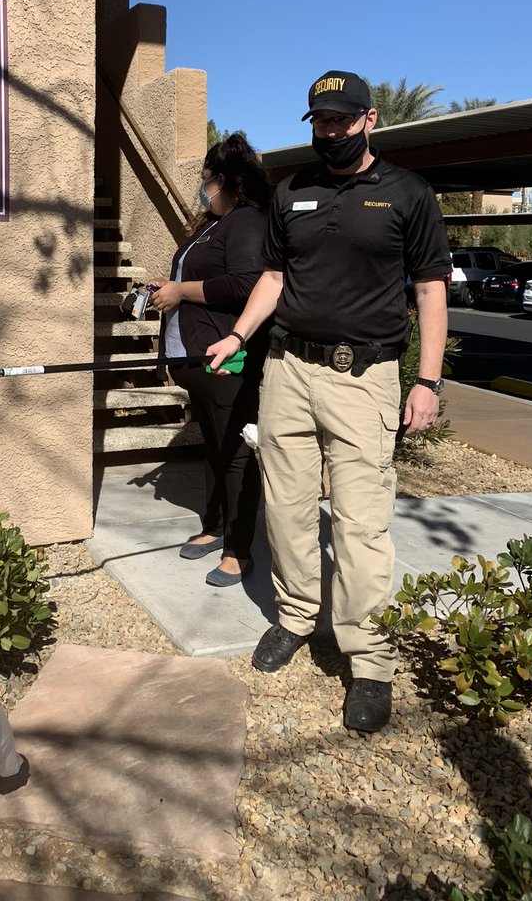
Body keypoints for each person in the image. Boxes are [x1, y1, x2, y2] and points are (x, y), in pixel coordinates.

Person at [207, 71, 451, 730]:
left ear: (369, 120)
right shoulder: (293, 194)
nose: (330, 131)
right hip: (287, 370)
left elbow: (430, 290)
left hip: (363, 377)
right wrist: (238, 333)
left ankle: (369, 661)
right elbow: (275, 278)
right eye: (320, 121)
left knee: (360, 522)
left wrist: (426, 382)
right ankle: (294, 616)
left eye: (342, 120)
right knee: (285, 510)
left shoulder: (407, 193)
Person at [147, 134, 270, 587]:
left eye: (205, 181)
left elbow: (245, 285)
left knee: (236, 453)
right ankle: (213, 526)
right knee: (214, 449)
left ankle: (239, 550)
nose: (203, 190)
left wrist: (181, 291)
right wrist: (170, 284)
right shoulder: (211, 225)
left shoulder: (247, 223)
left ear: (224, 180)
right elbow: (204, 278)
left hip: (227, 360)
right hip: (196, 359)